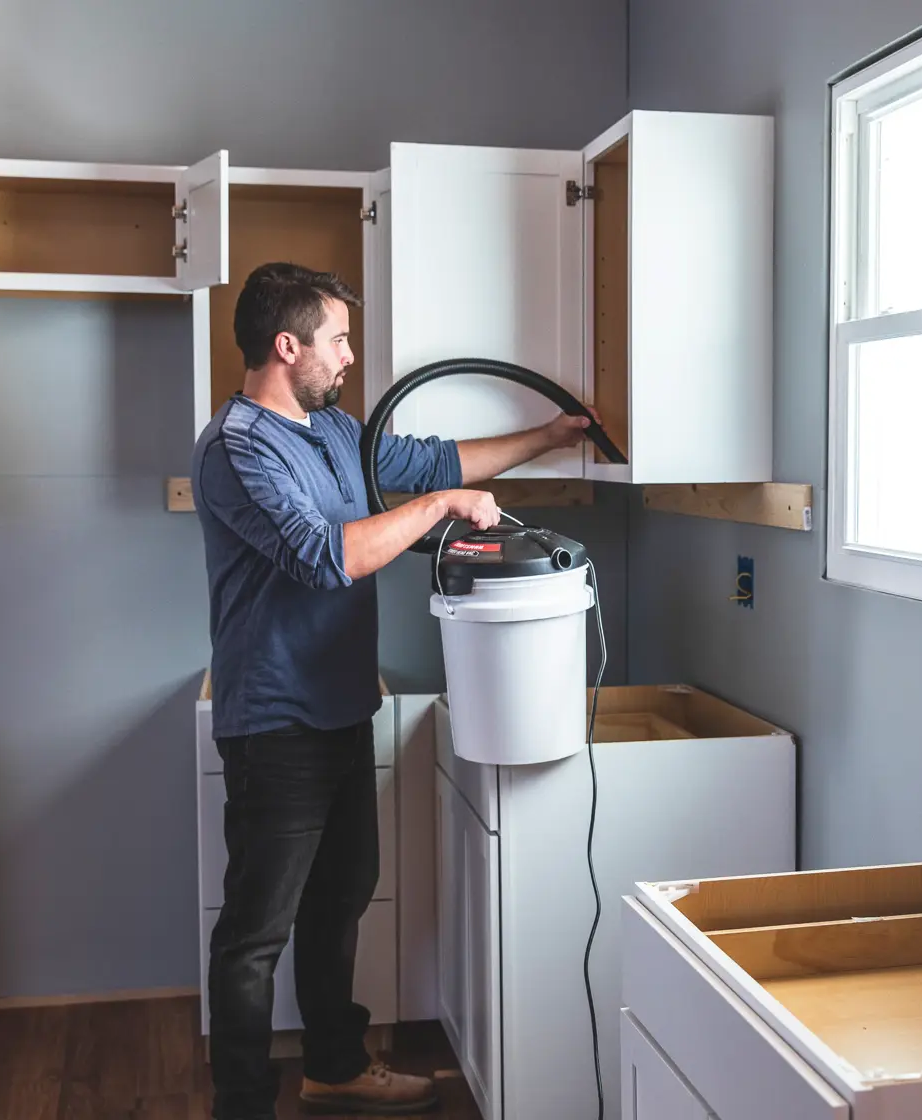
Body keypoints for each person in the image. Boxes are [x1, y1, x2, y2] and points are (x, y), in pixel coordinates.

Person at [191, 262, 592, 1118]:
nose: (348, 355)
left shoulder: (334, 431)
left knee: (340, 899)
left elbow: (436, 458)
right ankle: (242, 1104)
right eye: (336, 339)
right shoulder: (238, 446)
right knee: (256, 933)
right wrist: (445, 504)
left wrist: (550, 438)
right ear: (286, 344)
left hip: (342, 707)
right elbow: (325, 556)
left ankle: (333, 1064)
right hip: (275, 721)